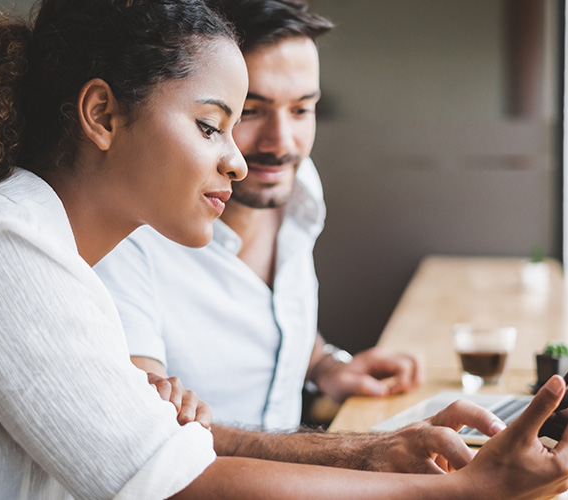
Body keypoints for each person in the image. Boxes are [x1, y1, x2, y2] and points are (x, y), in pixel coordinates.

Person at [0, 1, 568, 499]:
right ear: (102, 114)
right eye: (213, 123)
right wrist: (459, 492)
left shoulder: (51, 255)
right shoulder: (5, 249)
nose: (238, 159)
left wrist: (379, 451)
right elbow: (181, 484)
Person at [94, 0, 422, 431]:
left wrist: (325, 366)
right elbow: (150, 433)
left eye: (302, 110)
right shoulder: (129, 239)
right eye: (250, 110)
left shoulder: (298, 185)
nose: (281, 142)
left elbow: (273, 314)